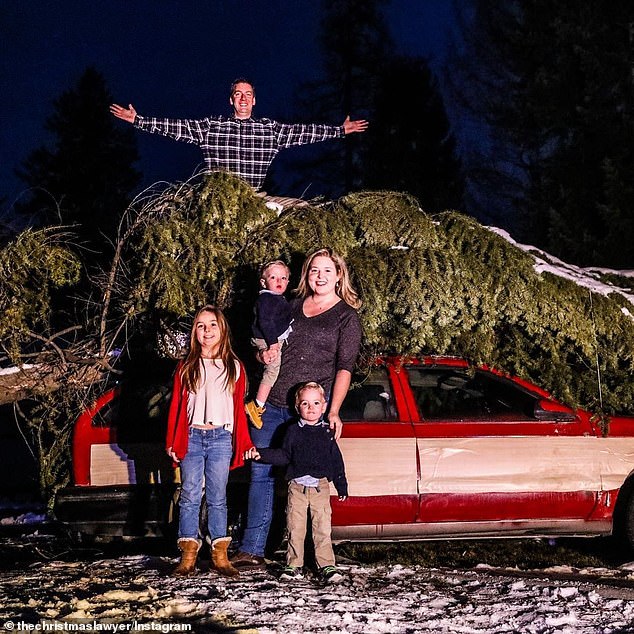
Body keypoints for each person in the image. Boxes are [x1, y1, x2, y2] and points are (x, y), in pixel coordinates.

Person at [231, 247, 362, 568]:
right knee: (260, 471)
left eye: (327, 271)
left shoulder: (346, 316)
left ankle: (307, 556)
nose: (320, 276)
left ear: (338, 275)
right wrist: (262, 355)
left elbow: (345, 366)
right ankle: (252, 548)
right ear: (306, 275)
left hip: (310, 411)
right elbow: (262, 337)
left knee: (307, 480)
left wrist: (333, 411)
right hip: (272, 403)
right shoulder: (289, 306)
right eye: (314, 270)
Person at [110, 78, 369, 191]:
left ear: (254, 100)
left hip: (254, 199)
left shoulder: (270, 131)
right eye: (238, 94)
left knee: (297, 208)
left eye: (248, 95)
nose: (243, 98)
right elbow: (176, 127)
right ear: (231, 100)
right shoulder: (212, 127)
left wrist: (339, 130)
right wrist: (139, 120)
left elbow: (304, 132)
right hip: (217, 198)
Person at [166, 305, 253, 578]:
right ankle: (188, 556)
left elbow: (239, 409)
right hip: (192, 436)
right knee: (190, 494)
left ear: (222, 329)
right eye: (201, 326)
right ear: (195, 332)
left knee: (218, 496)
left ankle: (220, 556)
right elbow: (177, 407)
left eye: (212, 325)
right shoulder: (187, 366)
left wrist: (245, 442)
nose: (207, 331)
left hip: (220, 437)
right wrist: (172, 440)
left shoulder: (234, 367)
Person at [245, 381, 348, 583]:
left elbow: (336, 460)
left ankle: (327, 565)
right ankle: (294, 564)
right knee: (295, 527)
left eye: (316, 403)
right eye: (305, 404)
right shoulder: (292, 431)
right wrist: (261, 454)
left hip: (320, 488)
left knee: (322, 528)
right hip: (297, 488)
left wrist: (341, 484)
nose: (311, 408)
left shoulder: (327, 433)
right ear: (296, 406)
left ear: (324, 406)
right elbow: (283, 455)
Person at [244, 259, 292, 430]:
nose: (279, 282)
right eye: (273, 277)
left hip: (270, 338)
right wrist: (272, 344)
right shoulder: (266, 299)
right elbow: (265, 322)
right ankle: (257, 405)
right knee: (272, 370)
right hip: (267, 339)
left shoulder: (277, 299)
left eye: (283, 278)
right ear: (263, 282)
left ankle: (258, 403)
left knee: (272, 369)